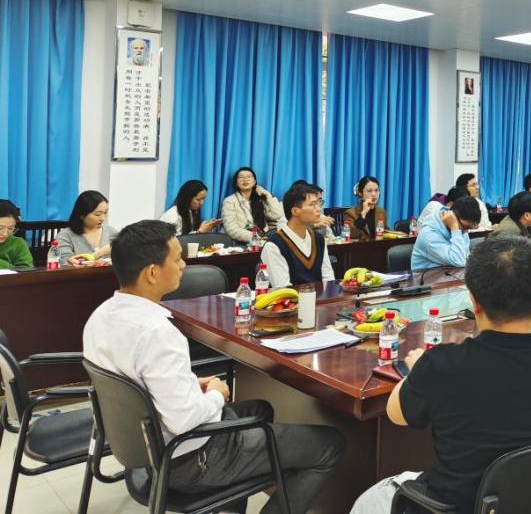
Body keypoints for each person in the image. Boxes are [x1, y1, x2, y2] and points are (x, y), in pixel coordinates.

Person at [83, 220, 345, 514]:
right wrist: (216, 394)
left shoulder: (100, 317)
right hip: (190, 460)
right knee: (329, 446)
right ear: (152, 273)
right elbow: (184, 421)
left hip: (143, 447)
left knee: (260, 410)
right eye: (177, 259)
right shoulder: (158, 332)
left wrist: (190, 385)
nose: (183, 265)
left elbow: (137, 384)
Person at [350, 236, 531, 513]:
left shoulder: (442, 366)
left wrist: (418, 368)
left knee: (368, 501)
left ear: (473, 300)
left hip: (459, 506)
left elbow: (396, 414)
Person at [261, 184, 335, 288]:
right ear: (295, 211)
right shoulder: (273, 246)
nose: (319, 209)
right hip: (292, 298)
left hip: (321, 297)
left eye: (319, 203)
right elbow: (283, 289)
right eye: (312, 204)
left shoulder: (319, 239)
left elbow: (329, 279)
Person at [410, 196, 481, 271]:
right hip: (426, 277)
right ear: (453, 216)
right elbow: (459, 261)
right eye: (466, 227)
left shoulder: (461, 227)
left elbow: (465, 258)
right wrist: (455, 228)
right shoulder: (428, 234)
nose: (465, 232)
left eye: (469, 228)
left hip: (449, 274)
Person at [54, 191, 120, 266]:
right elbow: (65, 263)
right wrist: (99, 254)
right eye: (97, 214)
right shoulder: (65, 235)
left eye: (105, 213)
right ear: (82, 215)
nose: (102, 218)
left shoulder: (111, 232)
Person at [221, 167, 284, 243]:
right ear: (236, 183)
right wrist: (256, 238)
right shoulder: (229, 201)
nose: (245, 179)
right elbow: (231, 229)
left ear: (254, 182)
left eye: (249, 177)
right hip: (240, 244)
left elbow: (277, 215)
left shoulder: (260, 200)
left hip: (263, 241)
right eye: (241, 177)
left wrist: (268, 195)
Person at [343, 176, 389, 242]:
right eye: (369, 191)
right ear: (360, 193)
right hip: (360, 247)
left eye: (376, 190)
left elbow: (386, 232)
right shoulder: (350, 213)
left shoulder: (381, 211)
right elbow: (352, 235)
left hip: (380, 246)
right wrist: (364, 213)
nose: (374, 194)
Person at [0, 200, 32, 269]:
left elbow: (26, 270)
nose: (5, 234)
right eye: (0, 228)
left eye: (10, 228)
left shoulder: (18, 244)